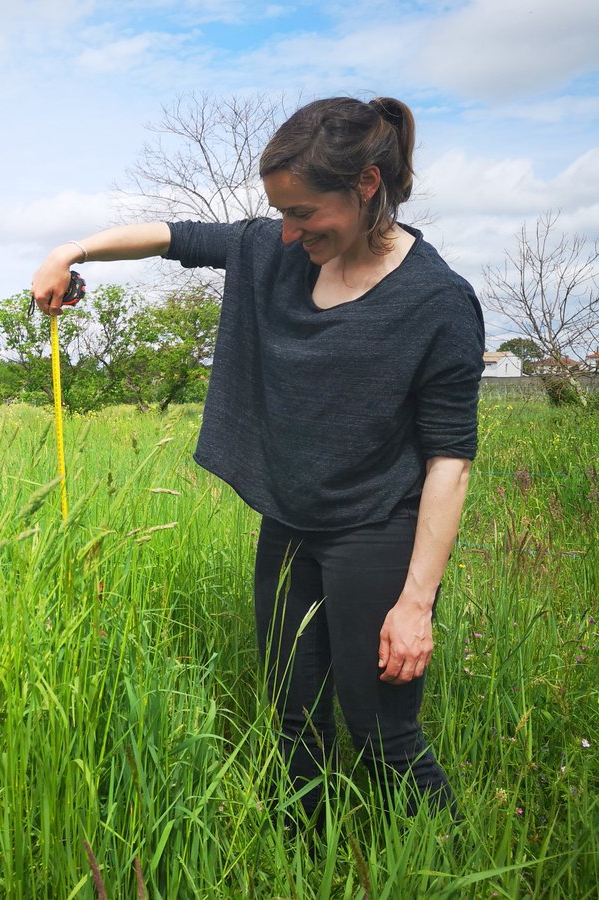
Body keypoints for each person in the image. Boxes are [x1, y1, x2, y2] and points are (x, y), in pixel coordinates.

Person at [31, 96, 483, 820]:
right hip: (289, 523)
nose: (288, 231)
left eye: (304, 213)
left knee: (381, 735)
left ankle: (446, 858)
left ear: (368, 185)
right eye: (280, 212)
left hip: (375, 530)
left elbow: (449, 462)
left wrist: (415, 604)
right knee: (295, 724)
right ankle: (302, 861)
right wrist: (71, 251)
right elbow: (173, 236)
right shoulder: (278, 254)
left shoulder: (437, 301)